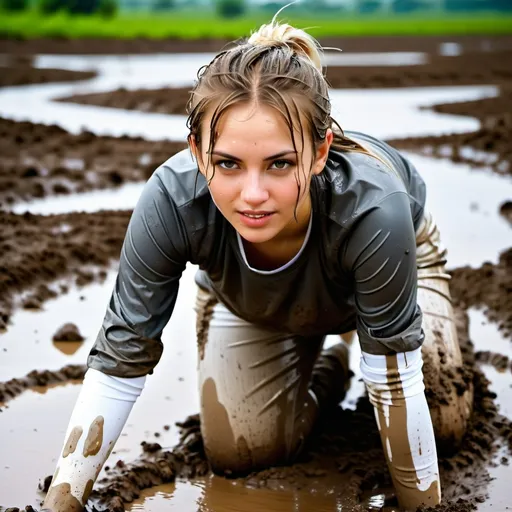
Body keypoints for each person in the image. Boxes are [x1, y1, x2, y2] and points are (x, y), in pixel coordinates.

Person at [42, 19, 473, 512]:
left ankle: (414, 327)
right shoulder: (171, 200)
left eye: (280, 164)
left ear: (320, 152)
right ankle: (334, 365)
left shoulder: (375, 208)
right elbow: (119, 364)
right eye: (227, 164)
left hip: (387, 266)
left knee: (444, 426)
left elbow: (396, 383)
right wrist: (63, 504)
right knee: (239, 452)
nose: (252, 196)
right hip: (252, 296)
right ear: (198, 154)